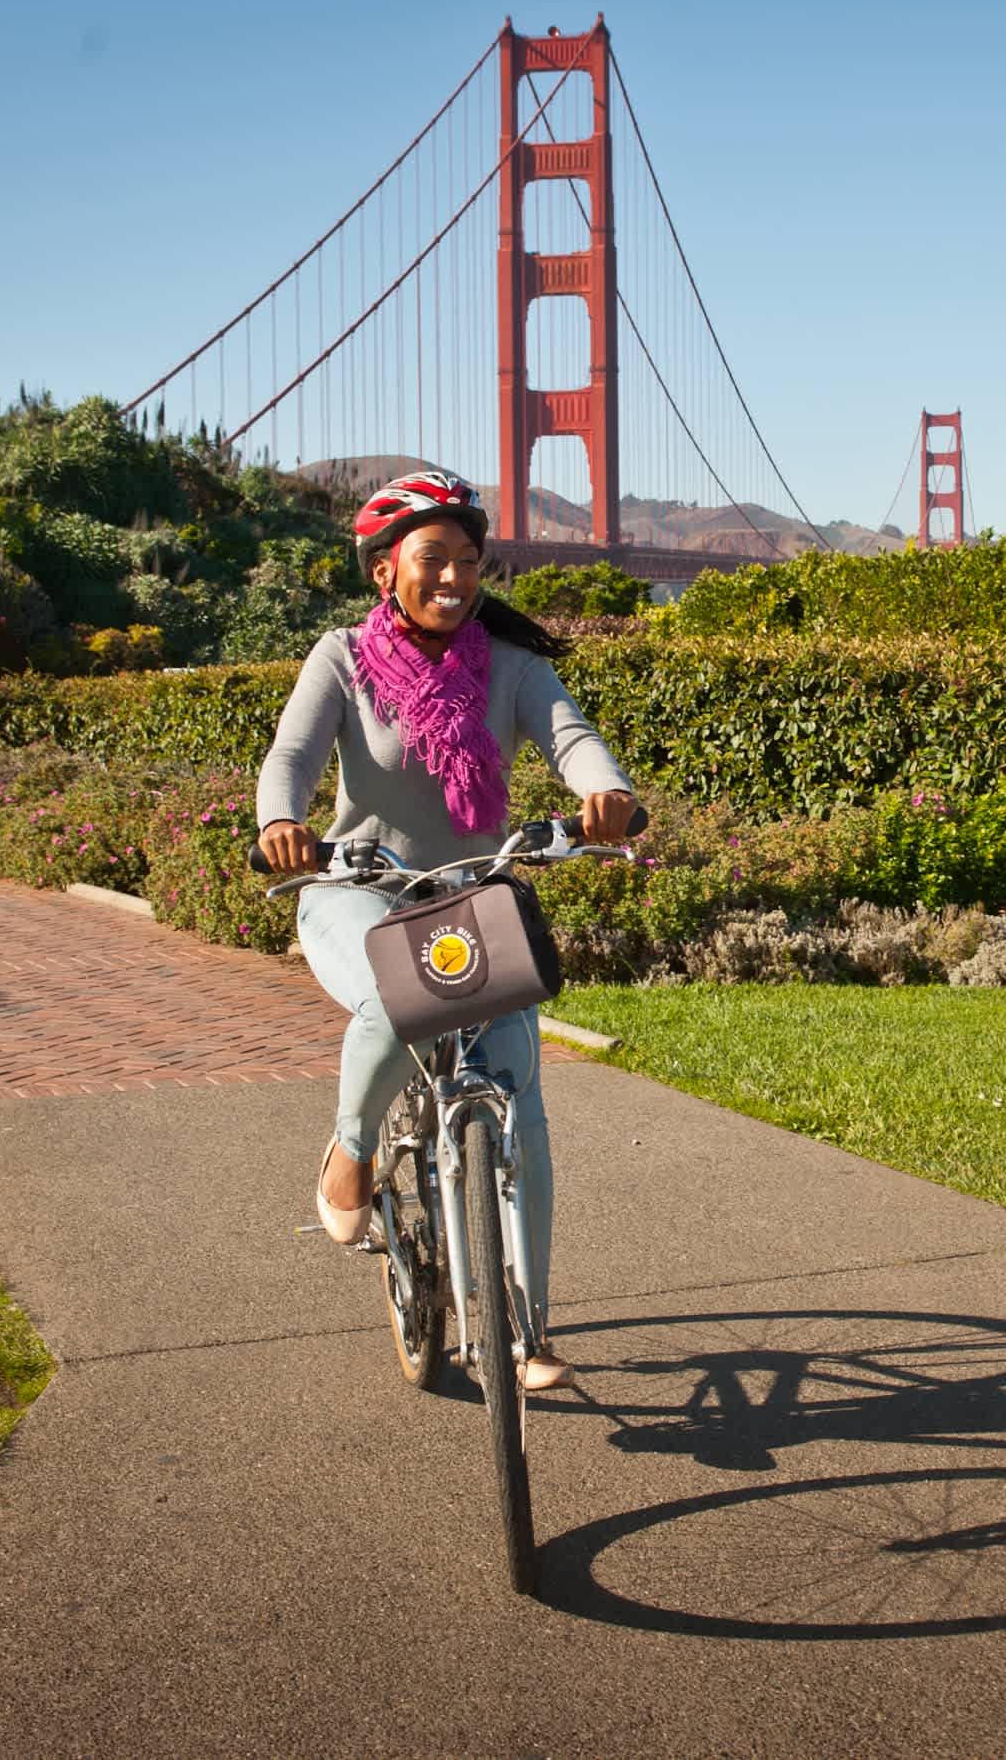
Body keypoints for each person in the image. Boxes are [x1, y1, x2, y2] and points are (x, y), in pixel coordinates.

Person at [256, 469, 638, 1392]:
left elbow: (571, 736)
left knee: (523, 1103)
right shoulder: (342, 657)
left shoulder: (510, 663)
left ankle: (528, 1324)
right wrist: (281, 823)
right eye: (434, 560)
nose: (456, 578)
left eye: (470, 561)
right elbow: (291, 759)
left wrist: (606, 792)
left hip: (475, 898)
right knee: (402, 1000)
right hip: (358, 889)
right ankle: (350, 1155)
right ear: (386, 569)